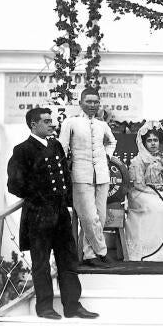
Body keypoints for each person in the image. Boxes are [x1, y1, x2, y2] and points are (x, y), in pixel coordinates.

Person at [7, 108, 98, 319]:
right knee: (41, 263)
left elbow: (65, 176)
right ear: (33, 124)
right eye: (47, 121)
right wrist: (40, 197)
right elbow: (15, 184)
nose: (52, 124)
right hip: (38, 215)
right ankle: (45, 307)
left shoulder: (55, 145)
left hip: (60, 214)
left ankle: (72, 306)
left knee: (68, 260)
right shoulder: (22, 150)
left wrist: (65, 202)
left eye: (52, 121)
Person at [59, 88, 118, 267]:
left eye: (95, 102)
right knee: (89, 217)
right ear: (81, 103)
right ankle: (102, 251)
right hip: (80, 175)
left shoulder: (102, 125)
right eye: (89, 101)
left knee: (99, 216)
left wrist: (107, 156)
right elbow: (62, 147)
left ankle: (89, 255)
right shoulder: (71, 122)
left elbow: (112, 141)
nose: (92, 105)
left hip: (102, 175)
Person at [125, 121, 163, 261]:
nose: (153, 143)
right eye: (149, 140)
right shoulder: (138, 160)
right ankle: (151, 249)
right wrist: (157, 193)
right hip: (140, 194)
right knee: (159, 209)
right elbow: (139, 185)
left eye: (155, 140)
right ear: (144, 143)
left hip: (158, 194)